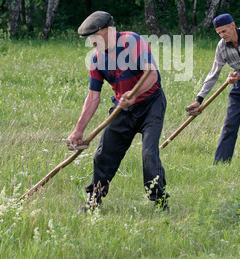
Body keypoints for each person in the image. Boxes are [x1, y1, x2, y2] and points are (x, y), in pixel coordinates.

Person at [67, 11, 169, 212]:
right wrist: (78, 131)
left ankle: (160, 202)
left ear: (107, 31)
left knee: (149, 154)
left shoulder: (132, 41)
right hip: (122, 109)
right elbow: (93, 97)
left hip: (151, 104)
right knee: (103, 154)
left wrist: (134, 92)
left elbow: (152, 75)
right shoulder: (96, 60)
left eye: (94, 37)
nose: (91, 43)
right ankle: (94, 201)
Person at [186, 13, 240, 165]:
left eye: (224, 31)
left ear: (232, 26)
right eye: (219, 33)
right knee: (230, 124)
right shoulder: (221, 47)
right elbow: (213, 74)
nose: (222, 35)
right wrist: (199, 99)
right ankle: (220, 163)